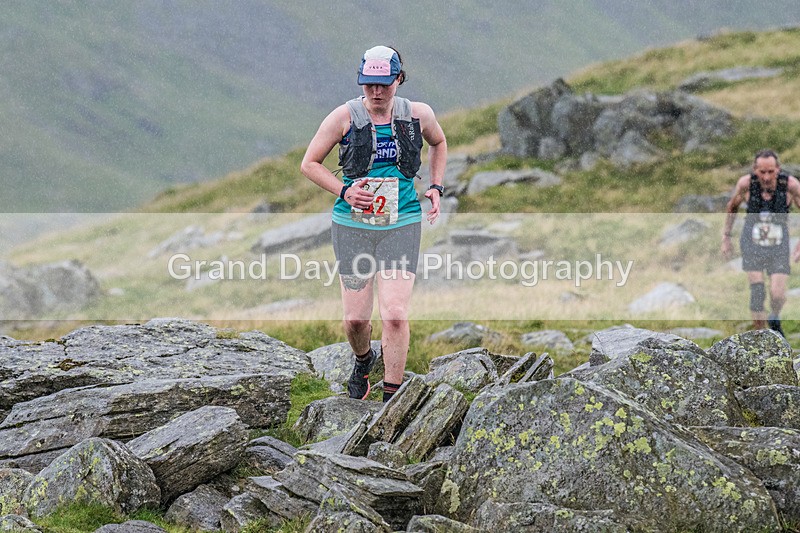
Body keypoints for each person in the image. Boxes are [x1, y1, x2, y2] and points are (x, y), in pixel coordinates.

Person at [300, 45, 447, 401]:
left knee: (395, 315)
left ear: (399, 79)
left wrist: (436, 186)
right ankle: (364, 361)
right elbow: (310, 164)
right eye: (369, 84)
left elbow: (439, 143)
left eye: (384, 84)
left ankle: (391, 398)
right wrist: (345, 191)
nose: (377, 92)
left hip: (402, 222)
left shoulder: (417, 114)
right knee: (355, 321)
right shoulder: (343, 117)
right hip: (353, 227)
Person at [722, 149, 800, 336]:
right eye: (762, 172)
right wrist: (726, 237)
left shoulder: (790, 185)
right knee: (757, 292)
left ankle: (774, 316)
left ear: (778, 169)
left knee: (777, 294)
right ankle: (761, 337)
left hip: (779, 244)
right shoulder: (746, 184)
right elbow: (732, 207)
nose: (766, 177)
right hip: (752, 243)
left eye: (771, 171)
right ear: (754, 169)